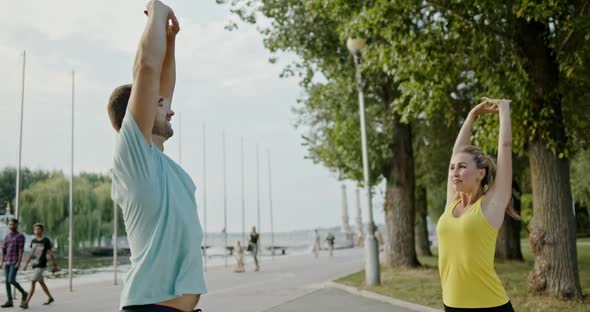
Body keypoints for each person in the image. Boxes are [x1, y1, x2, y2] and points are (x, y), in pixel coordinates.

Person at [108, 1, 206, 311]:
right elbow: (147, 70)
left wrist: (171, 42)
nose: (171, 109)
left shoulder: (158, 161)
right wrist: (157, 9)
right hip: (149, 308)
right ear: (143, 109)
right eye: (161, 106)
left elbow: (163, 83)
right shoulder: (135, 157)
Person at [436, 97, 519, 312]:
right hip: (452, 305)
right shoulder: (451, 204)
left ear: (480, 173)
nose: (454, 172)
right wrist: (472, 116)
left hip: (489, 306)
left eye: (462, 167)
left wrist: (504, 109)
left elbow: (505, 147)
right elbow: (457, 150)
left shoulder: (491, 205)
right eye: (452, 168)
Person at [22, 223, 58, 309]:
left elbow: (50, 253)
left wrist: (54, 265)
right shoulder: (33, 241)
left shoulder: (46, 240)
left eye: (38, 229)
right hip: (35, 264)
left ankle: (26, 302)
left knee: (33, 281)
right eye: (35, 229)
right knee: (41, 282)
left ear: (42, 230)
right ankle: (50, 297)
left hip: (41, 265)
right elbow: (31, 253)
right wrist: (26, 264)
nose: (36, 231)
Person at [0, 219, 28, 308]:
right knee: (7, 282)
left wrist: (19, 262)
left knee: (11, 280)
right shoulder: (6, 237)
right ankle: (9, 301)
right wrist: (1, 262)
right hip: (7, 261)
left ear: (16, 225)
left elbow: (20, 250)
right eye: (10, 224)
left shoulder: (20, 236)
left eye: (13, 224)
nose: (11, 226)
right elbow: (3, 251)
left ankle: (24, 293)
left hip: (14, 261)